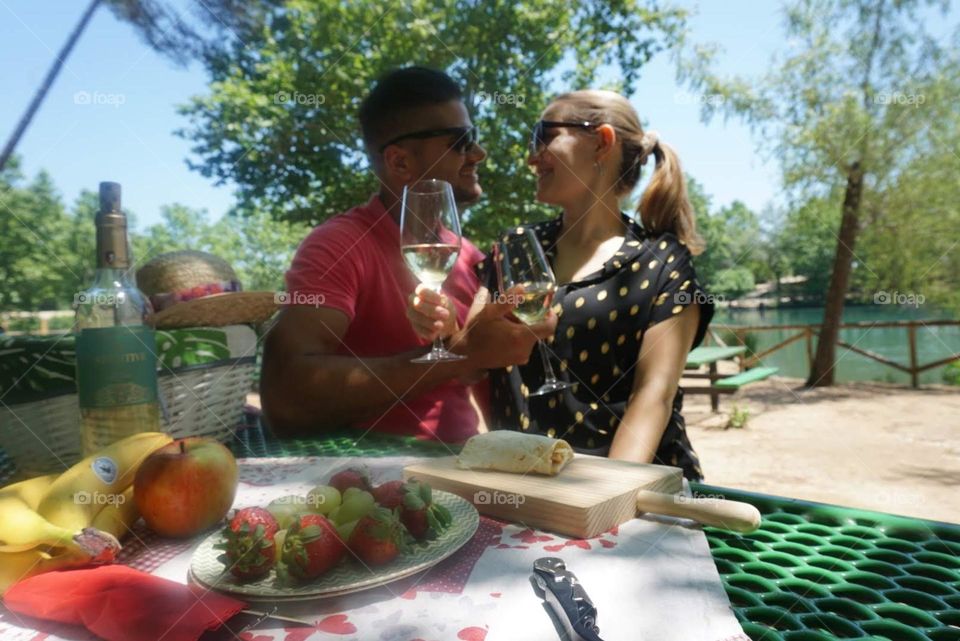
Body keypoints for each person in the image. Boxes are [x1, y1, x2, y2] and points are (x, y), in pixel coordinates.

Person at [411, 90, 713, 479]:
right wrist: (447, 328)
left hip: (636, 496)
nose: (532, 156)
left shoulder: (663, 260)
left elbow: (653, 396)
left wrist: (605, 496)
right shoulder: (513, 248)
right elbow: (472, 366)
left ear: (602, 142)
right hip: (529, 489)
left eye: (544, 136)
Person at [261, 67, 555, 442]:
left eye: (474, 139)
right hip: (371, 480)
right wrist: (463, 354)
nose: (479, 154)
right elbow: (285, 399)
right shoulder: (338, 245)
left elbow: (472, 375)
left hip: (464, 469)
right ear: (400, 162)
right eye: (461, 142)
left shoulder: (469, 257)